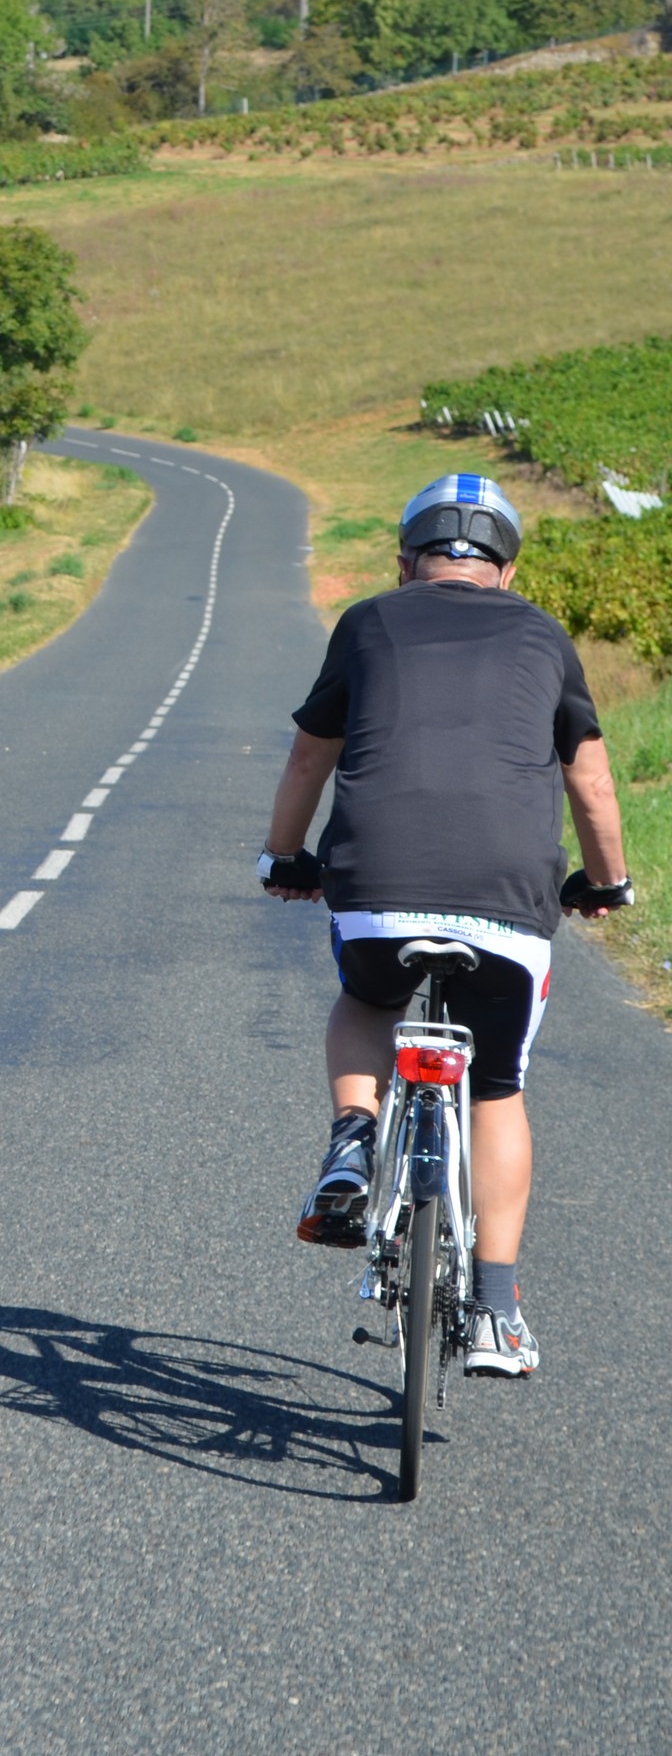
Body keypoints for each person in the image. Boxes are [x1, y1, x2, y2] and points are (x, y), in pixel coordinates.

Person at [259, 473, 633, 1378]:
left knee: (365, 996)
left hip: (379, 879)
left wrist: (284, 856)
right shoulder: (545, 633)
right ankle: (498, 1311)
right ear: (504, 569)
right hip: (508, 894)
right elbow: (589, 781)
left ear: (406, 560)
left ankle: (353, 1139)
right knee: (496, 1085)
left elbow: (314, 751)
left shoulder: (369, 620)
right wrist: (608, 883)